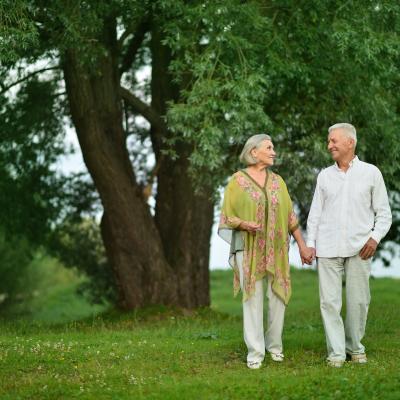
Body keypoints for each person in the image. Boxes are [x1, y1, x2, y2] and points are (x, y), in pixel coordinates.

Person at [218, 134, 313, 369]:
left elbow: (291, 217)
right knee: (252, 299)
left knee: (278, 298)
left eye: (273, 148)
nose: (273, 152)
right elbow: (227, 216)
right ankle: (255, 352)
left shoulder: (278, 182)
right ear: (253, 152)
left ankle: (275, 347)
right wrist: (244, 224)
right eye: (269, 148)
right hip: (247, 248)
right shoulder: (237, 181)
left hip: (277, 250)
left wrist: (301, 244)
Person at [306, 123, 392, 367]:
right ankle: (335, 352)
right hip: (327, 247)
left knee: (359, 301)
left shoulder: (371, 173)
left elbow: (384, 213)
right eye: (329, 140)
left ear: (350, 142)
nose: (329, 145)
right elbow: (315, 214)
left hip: (360, 247)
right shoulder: (324, 176)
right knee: (329, 302)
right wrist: (311, 244)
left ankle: (355, 347)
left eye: (333, 140)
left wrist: (374, 238)